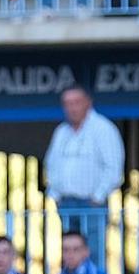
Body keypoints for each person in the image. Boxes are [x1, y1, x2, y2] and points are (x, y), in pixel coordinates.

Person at [43, 85, 123, 243]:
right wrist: (55, 195)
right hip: (65, 204)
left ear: (88, 103)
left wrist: (98, 197)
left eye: (76, 102)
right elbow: (50, 164)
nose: (72, 108)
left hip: (92, 205)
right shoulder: (61, 132)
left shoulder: (103, 128)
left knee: (93, 254)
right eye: (67, 103)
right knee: (69, 255)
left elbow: (113, 168)